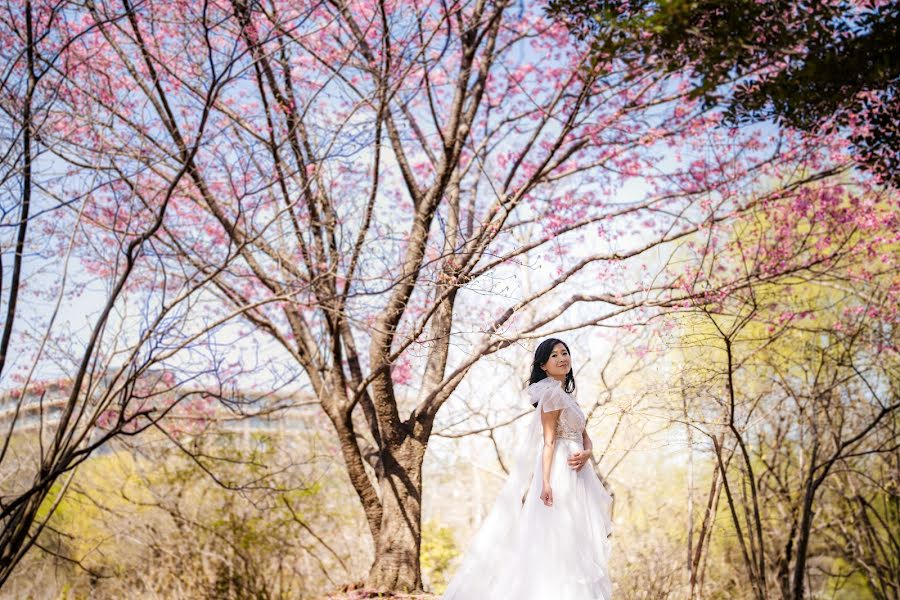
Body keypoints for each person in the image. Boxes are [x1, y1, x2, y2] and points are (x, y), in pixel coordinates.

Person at [442, 338, 614, 599]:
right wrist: (545, 482)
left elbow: (584, 435)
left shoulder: (568, 397)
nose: (561, 358)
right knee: (560, 533)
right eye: (554, 355)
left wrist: (588, 453)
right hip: (560, 471)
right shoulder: (551, 394)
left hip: (580, 470)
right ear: (543, 365)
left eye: (565, 353)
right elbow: (548, 442)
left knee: (579, 536)